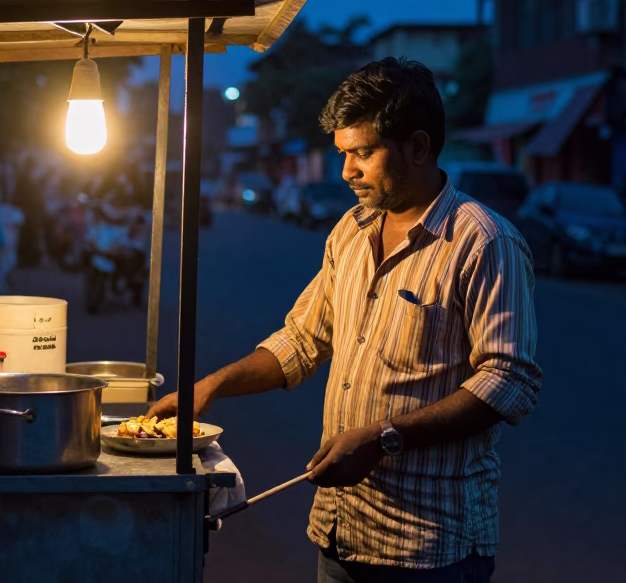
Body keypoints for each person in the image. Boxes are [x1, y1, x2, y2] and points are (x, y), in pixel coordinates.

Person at [149, 57, 541, 582]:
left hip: (430, 549)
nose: (346, 172)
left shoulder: (483, 241)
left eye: (362, 154)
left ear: (418, 147)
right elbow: (303, 339)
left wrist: (384, 437)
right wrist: (212, 386)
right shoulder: (352, 231)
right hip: (340, 534)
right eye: (342, 154)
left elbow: (508, 381)